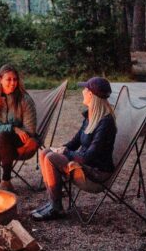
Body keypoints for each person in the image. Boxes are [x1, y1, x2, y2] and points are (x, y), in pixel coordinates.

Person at [31, 76, 116, 221]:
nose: (82, 92)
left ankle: (56, 209)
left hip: (96, 173)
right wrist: (62, 148)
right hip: (85, 164)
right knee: (45, 152)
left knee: (51, 158)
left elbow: (89, 157)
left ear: (91, 95)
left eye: (85, 89)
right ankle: (53, 202)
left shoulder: (105, 123)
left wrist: (65, 153)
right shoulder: (91, 116)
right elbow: (75, 141)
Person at [0, 64, 37, 192]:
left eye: (15, 79)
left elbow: (30, 130)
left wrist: (12, 131)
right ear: (0, 80)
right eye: (9, 79)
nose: (13, 83)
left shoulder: (25, 100)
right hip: (0, 141)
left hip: (22, 141)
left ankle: (6, 180)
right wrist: (12, 128)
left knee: (3, 134)